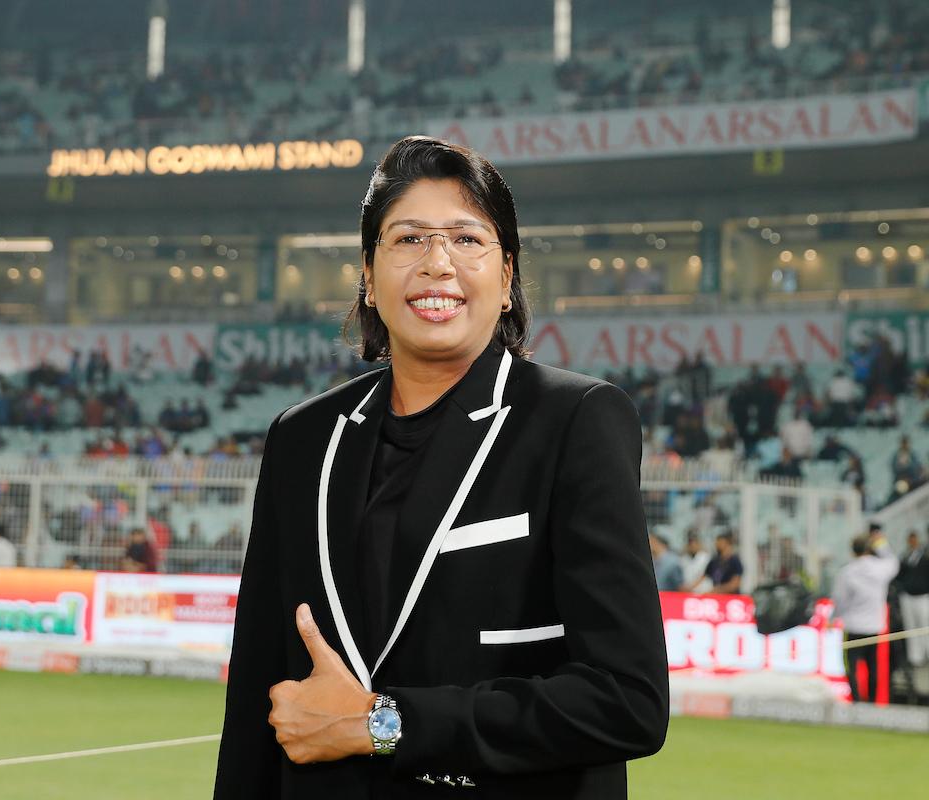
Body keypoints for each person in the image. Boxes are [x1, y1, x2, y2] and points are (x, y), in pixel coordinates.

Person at [214, 136, 667, 799]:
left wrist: (383, 723)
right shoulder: (302, 438)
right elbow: (258, 695)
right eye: (408, 240)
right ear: (368, 276)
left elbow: (626, 702)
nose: (437, 263)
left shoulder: (575, 422)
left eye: (466, 239)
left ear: (507, 276)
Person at [831, 530, 899, 703]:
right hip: (874, 626)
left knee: (851, 665)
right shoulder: (881, 568)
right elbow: (893, 562)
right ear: (869, 549)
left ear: (852, 551)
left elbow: (840, 599)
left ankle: (856, 701)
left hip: (853, 626)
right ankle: (871, 702)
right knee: (873, 666)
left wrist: (833, 618)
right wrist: (881, 543)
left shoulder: (847, 572)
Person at [896, 529, 929, 667]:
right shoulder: (905, 557)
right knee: (911, 627)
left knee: (925, 626)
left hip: (922, 596)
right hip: (908, 596)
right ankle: (916, 657)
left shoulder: (925, 556)